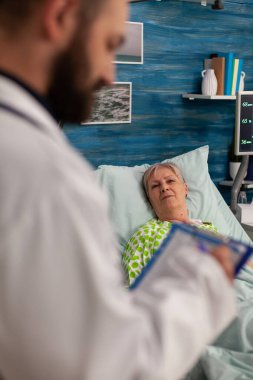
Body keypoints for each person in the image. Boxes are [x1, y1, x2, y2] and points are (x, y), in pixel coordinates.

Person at [0, 1, 236, 379]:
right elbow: (106, 365)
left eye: (170, 181)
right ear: (59, 15)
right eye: (110, 44)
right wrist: (206, 279)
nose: (109, 76)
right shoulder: (41, 177)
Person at [123, 162, 218, 285]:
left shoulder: (208, 229)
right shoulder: (144, 236)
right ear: (149, 199)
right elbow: (133, 290)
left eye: (170, 181)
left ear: (185, 189)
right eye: (155, 186)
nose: (164, 187)